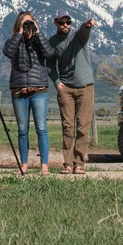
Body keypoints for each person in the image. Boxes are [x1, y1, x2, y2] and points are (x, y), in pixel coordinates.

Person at [3, 10, 55, 175]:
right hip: (19, 90)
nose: (27, 26)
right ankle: (23, 166)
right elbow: (8, 52)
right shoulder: (13, 40)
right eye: (24, 23)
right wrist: (19, 35)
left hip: (39, 89)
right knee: (22, 129)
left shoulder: (39, 40)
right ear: (18, 25)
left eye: (29, 22)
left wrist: (37, 33)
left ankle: (44, 166)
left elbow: (49, 53)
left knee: (41, 128)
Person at [48, 10, 97, 175]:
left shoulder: (78, 36)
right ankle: (68, 163)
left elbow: (84, 30)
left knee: (83, 126)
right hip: (66, 88)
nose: (65, 25)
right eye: (61, 23)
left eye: (68, 22)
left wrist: (87, 25)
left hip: (85, 87)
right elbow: (49, 65)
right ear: (56, 23)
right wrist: (57, 83)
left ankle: (79, 163)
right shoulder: (52, 42)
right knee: (68, 127)